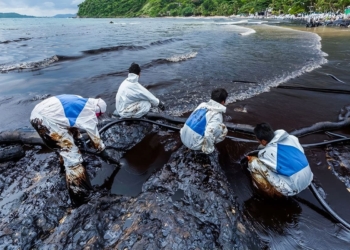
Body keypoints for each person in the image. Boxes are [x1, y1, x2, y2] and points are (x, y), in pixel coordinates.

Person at [30, 94, 107, 206]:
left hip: (37, 114)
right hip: (46, 120)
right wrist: (102, 151)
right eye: (98, 115)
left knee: (64, 145)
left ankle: (63, 168)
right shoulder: (89, 111)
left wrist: (78, 138)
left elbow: (69, 120)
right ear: (97, 110)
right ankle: (79, 196)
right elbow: (94, 135)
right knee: (72, 156)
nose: (97, 116)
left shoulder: (80, 99)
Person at [247, 123, 313, 197]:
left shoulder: (266, 153)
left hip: (292, 188)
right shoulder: (292, 138)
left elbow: (269, 167)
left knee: (253, 162)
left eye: (257, 139)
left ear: (263, 141)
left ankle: (268, 193)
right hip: (308, 178)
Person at [180, 88, 228, 154]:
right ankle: (204, 148)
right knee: (223, 129)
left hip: (183, 136)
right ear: (223, 102)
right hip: (193, 145)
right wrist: (208, 150)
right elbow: (208, 134)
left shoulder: (202, 105)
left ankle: (193, 141)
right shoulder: (217, 115)